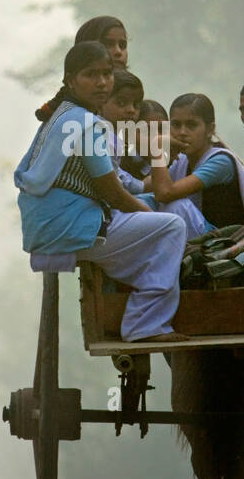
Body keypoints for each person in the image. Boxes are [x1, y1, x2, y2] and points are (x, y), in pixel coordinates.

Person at [14, 41, 187, 342]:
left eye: (106, 74)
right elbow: (115, 195)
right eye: (91, 75)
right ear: (70, 80)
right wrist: (151, 215)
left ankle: (143, 290)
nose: (102, 82)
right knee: (172, 226)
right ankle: (146, 325)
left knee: (154, 210)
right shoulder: (87, 125)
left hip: (51, 224)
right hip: (67, 227)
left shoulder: (65, 114)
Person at [145, 93, 244, 235]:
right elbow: (145, 187)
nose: (182, 132)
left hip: (226, 239)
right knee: (144, 200)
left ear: (210, 130)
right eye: (176, 125)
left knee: (178, 206)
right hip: (204, 234)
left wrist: (157, 150)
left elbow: (165, 193)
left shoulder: (221, 161)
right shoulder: (183, 160)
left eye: (191, 125)